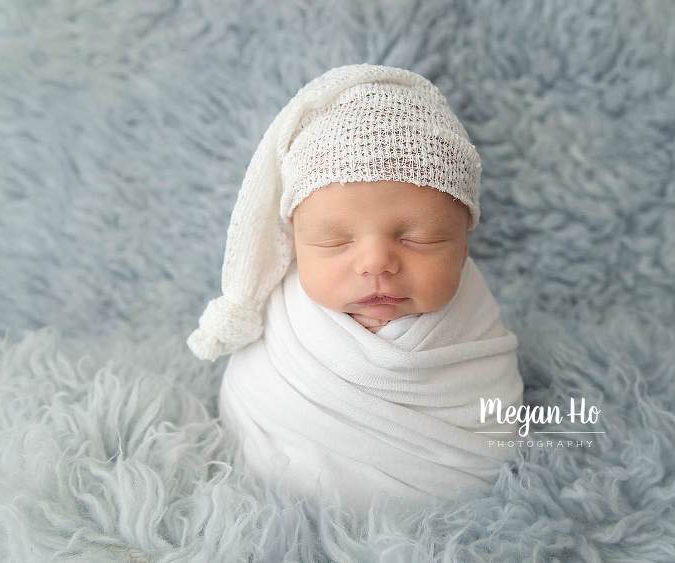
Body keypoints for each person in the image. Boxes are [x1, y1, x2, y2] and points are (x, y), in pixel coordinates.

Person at [187, 63, 524, 516]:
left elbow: (493, 422)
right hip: (284, 514)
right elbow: (252, 401)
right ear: (295, 242)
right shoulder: (284, 333)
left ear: (464, 243)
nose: (375, 263)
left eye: (417, 238)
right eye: (334, 241)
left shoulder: (476, 326)